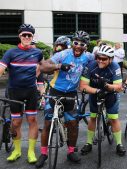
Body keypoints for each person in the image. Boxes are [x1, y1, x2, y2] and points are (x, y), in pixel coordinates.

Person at [35, 30, 94, 168]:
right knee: (48, 124)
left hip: (71, 94)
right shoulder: (63, 54)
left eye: (82, 44)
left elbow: (102, 59)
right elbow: (43, 66)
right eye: (76, 43)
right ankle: (43, 154)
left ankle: (71, 151)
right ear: (72, 43)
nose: (78, 46)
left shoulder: (88, 57)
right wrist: (59, 66)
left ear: (86, 46)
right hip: (55, 91)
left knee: (73, 124)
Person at [0, 24, 43, 163]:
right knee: (16, 122)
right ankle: (17, 150)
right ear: (19, 36)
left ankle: (31, 151)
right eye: (24, 35)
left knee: (32, 120)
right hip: (14, 91)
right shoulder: (11, 53)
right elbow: (1, 69)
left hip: (30, 90)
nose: (26, 37)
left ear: (32, 37)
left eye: (29, 35)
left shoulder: (38, 53)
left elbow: (42, 69)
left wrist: (41, 88)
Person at [79, 45, 126, 156]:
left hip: (110, 94)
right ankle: (88, 143)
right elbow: (83, 86)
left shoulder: (115, 67)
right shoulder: (91, 66)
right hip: (95, 93)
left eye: (104, 59)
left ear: (111, 59)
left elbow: (118, 87)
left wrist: (106, 85)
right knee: (93, 117)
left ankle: (119, 144)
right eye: (98, 57)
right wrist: (96, 91)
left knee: (113, 118)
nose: (100, 60)